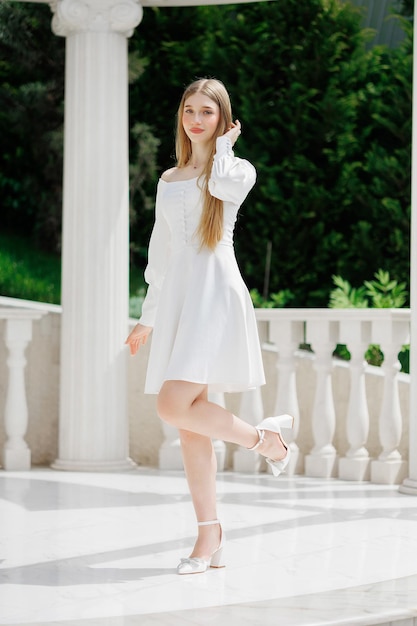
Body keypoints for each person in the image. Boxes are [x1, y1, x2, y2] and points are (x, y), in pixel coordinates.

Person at [125, 78, 293, 575]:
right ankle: (209, 537)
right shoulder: (168, 178)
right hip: (179, 298)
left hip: (215, 293)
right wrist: (148, 317)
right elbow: (162, 253)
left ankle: (265, 441)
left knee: (172, 404)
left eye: (208, 113)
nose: (196, 120)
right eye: (189, 111)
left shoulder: (235, 169)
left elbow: (221, 188)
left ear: (223, 119)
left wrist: (222, 149)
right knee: (188, 423)